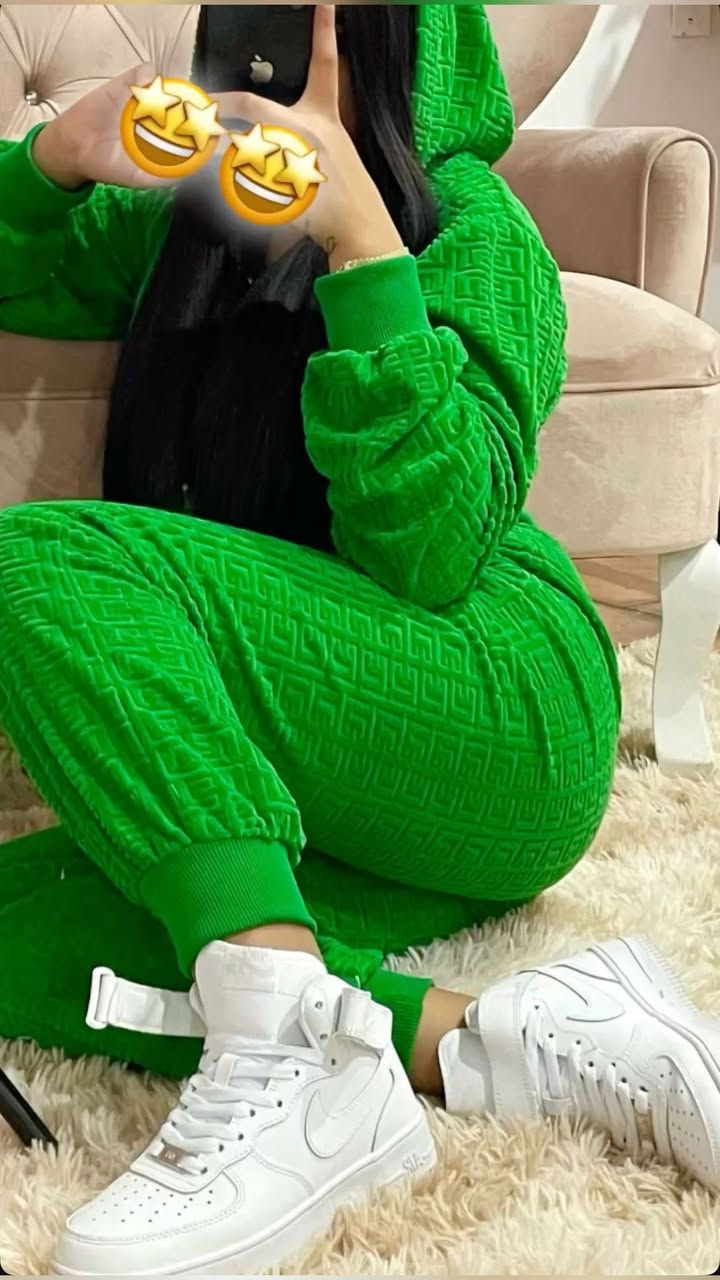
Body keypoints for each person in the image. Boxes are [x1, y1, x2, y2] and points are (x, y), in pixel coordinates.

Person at [0, 4, 718, 1275]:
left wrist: (361, 243)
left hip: (502, 700)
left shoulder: (478, 234)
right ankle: (497, 1038)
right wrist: (59, 159)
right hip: (331, 766)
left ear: (395, 46)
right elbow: (19, 267)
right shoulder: (191, 222)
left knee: (35, 560)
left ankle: (282, 1050)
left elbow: (430, 549)